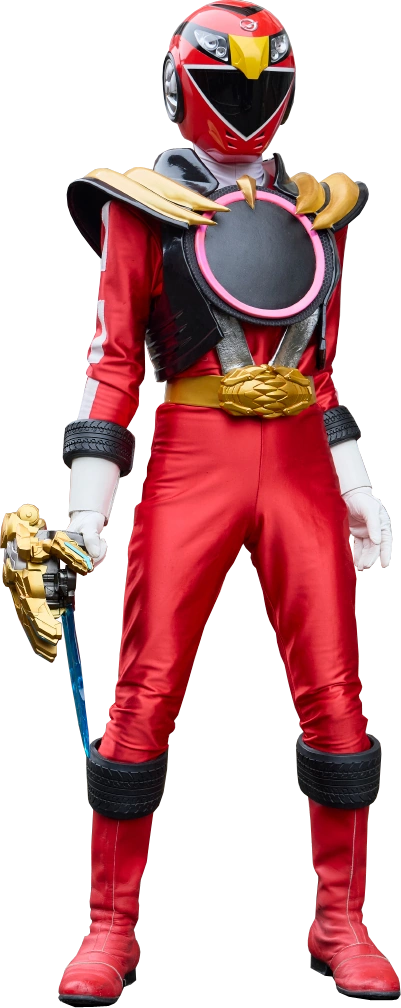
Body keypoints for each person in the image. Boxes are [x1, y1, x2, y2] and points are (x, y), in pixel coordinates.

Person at [57, 3, 399, 1003]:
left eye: (264, 78)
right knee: (145, 687)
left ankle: (340, 920)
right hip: (193, 453)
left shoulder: (318, 210)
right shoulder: (141, 205)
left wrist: (354, 484)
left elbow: (321, 369)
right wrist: (86, 507)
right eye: (226, 77)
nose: (247, 97)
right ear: (181, 83)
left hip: (296, 455)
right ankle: (109, 925)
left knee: (334, 692)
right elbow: (115, 362)